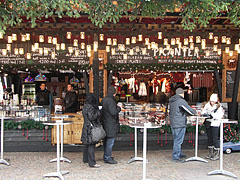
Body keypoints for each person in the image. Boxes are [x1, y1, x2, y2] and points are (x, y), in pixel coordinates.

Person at [169, 88, 196, 162]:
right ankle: (176, 156)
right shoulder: (181, 101)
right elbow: (190, 110)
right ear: (182, 93)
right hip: (179, 123)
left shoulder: (172, 101)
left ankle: (179, 152)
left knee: (176, 139)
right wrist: (195, 112)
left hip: (173, 122)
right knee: (178, 140)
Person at [101, 85, 121, 164]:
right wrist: (119, 107)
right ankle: (107, 157)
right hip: (111, 124)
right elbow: (113, 112)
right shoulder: (111, 101)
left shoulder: (104, 100)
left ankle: (106, 155)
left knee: (106, 141)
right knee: (110, 141)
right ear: (114, 93)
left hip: (105, 122)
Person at [201, 93, 224, 161]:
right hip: (208, 123)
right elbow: (203, 112)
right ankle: (210, 153)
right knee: (210, 139)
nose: (212, 103)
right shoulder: (207, 105)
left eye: (213, 101)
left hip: (215, 124)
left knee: (215, 139)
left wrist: (212, 114)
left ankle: (216, 154)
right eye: (211, 101)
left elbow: (220, 116)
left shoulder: (219, 107)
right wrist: (205, 113)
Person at [81, 94, 101, 168]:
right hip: (91, 127)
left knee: (87, 144)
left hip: (86, 126)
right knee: (91, 144)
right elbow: (92, 117)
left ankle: (85, 159)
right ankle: (92, 162)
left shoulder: (85, 106)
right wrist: (98, 112)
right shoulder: (91, 107)